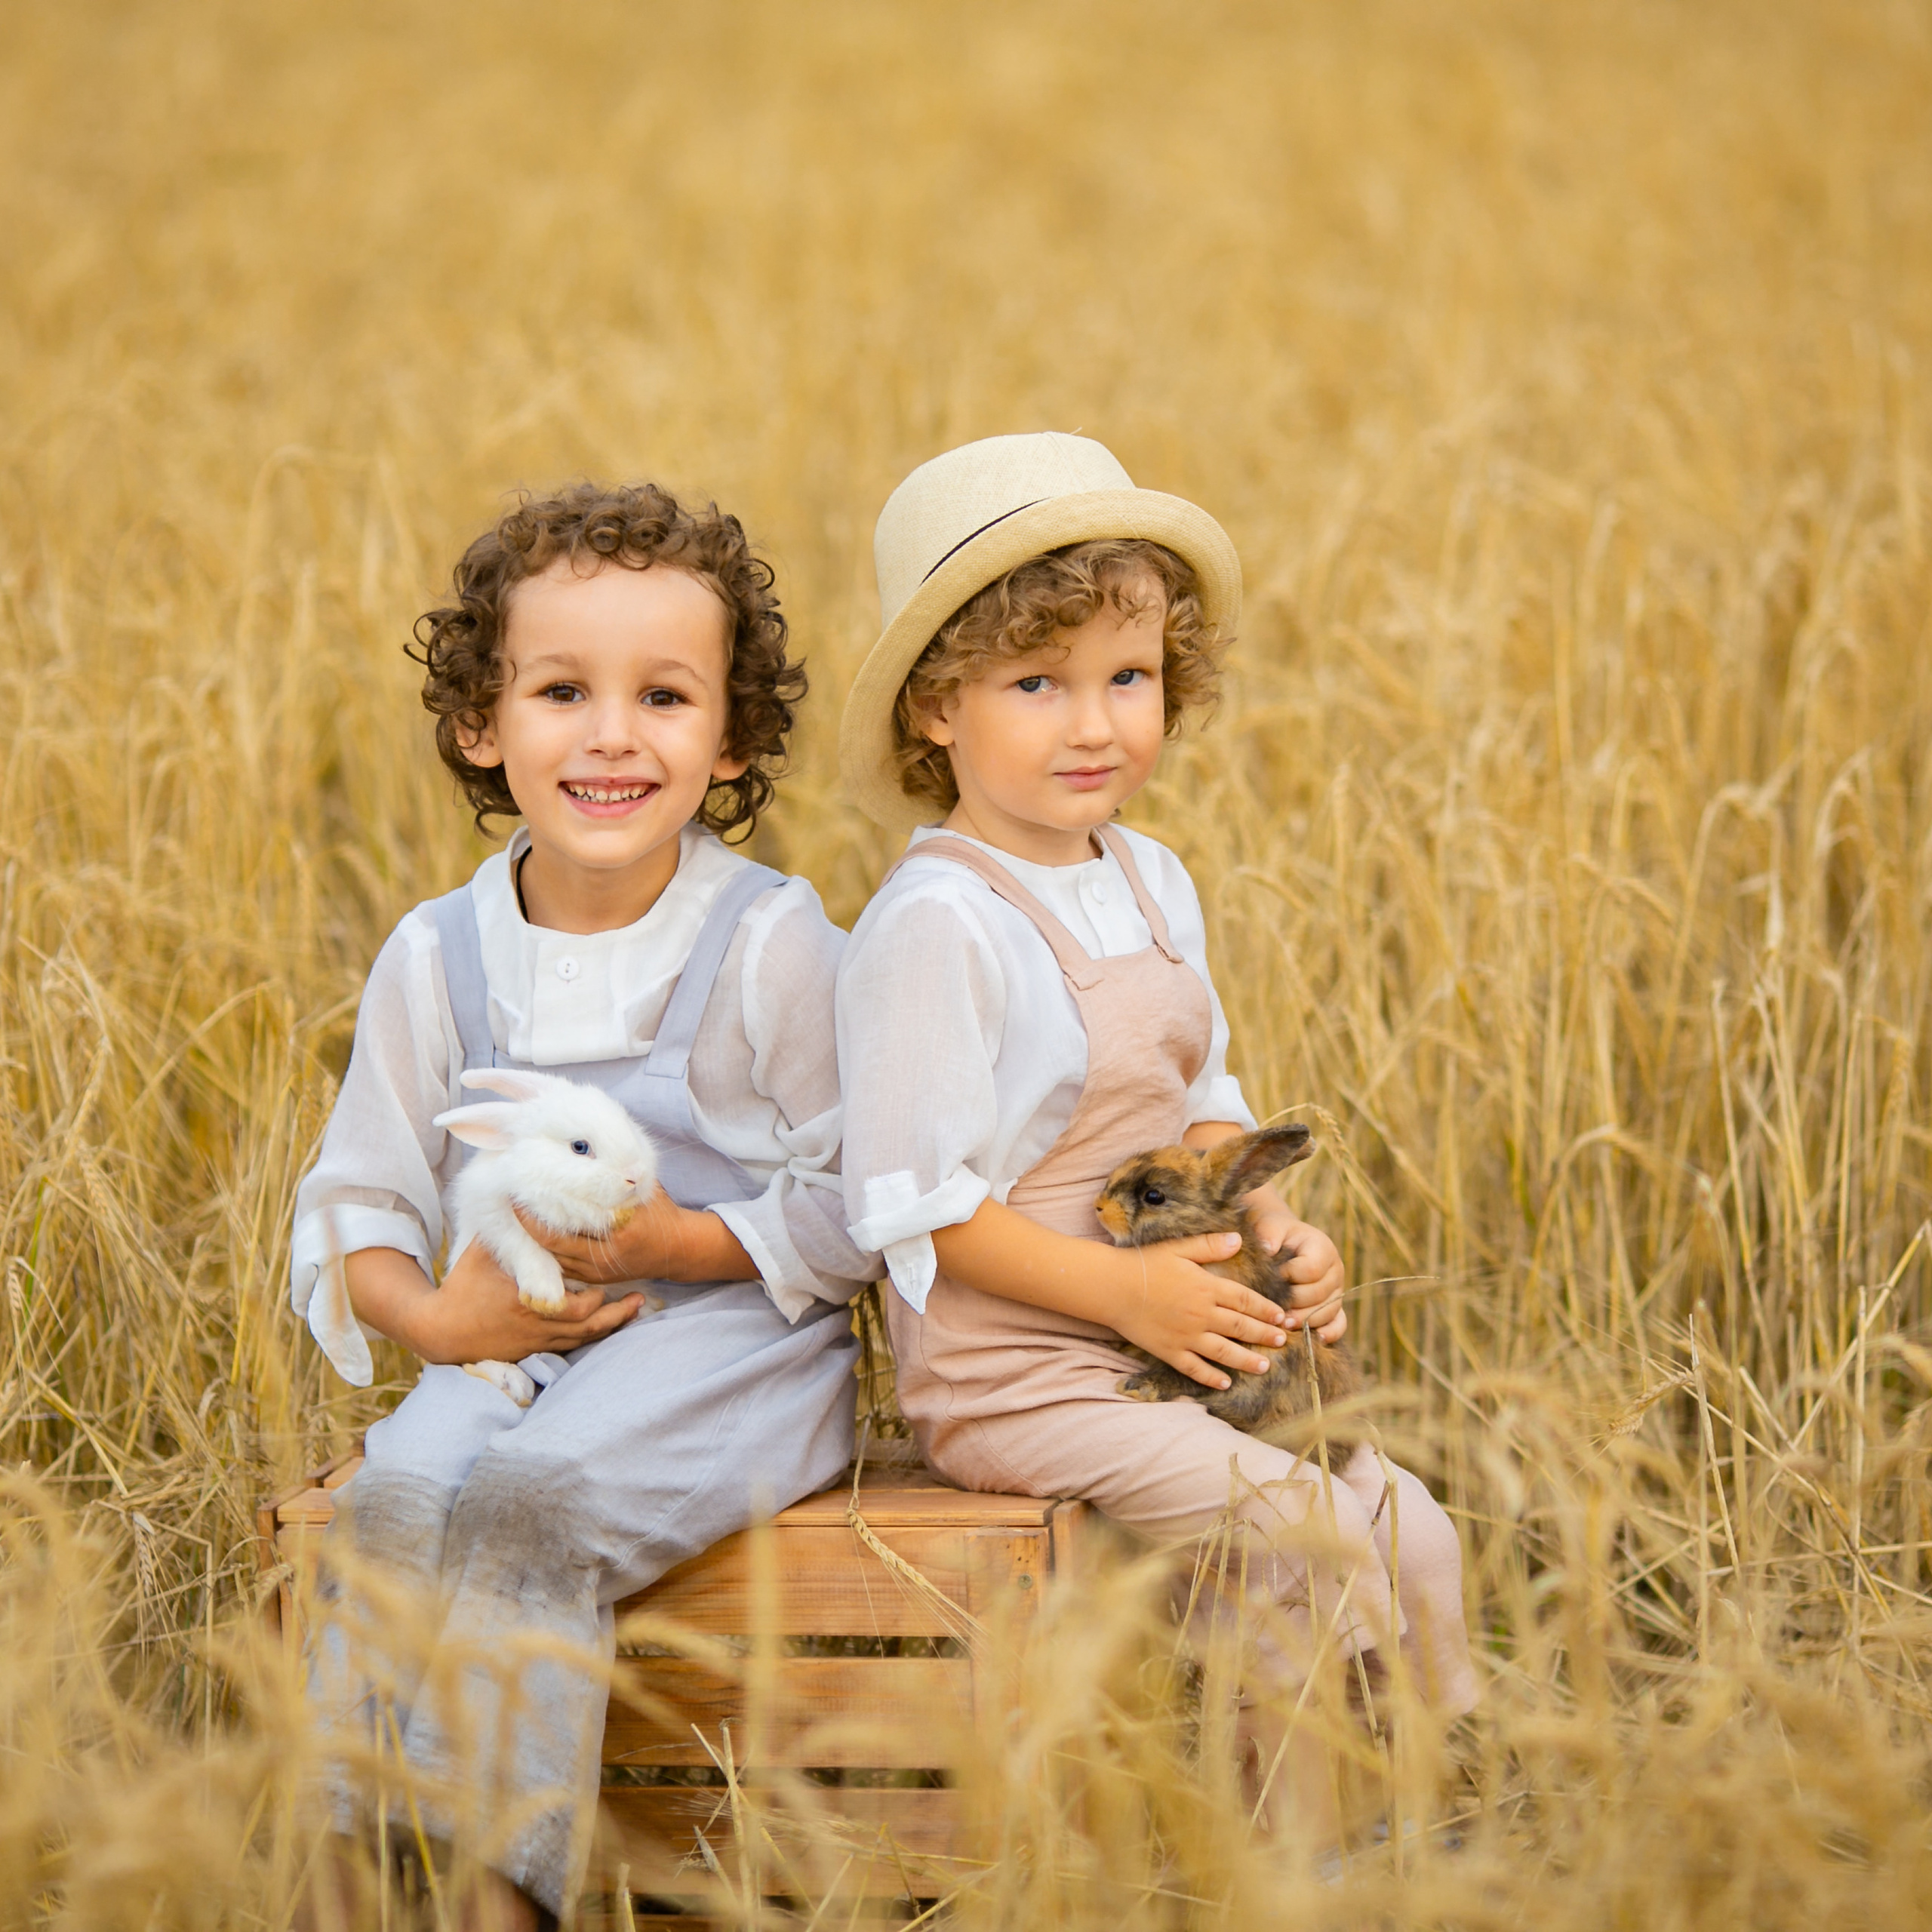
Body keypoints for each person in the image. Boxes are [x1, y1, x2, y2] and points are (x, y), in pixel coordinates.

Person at [835, 433, 1477, 1859]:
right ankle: (1291, 1867)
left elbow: (1205, 1097)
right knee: (1301, 1536)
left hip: (1177, 1332)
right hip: (1020, 1373)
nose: (1094, 725)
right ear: (937, 706)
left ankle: (1410, 1833)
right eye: (1036, 684)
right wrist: (1129, 1294)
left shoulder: (1149, 874)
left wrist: (1273, 1234)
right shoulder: (937, 925)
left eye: (1128, 677)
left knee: (1410, 1528)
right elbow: (915, 1208)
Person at [289, 481, 872, 1928]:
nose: (613, 735)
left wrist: (674, 1242)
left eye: (664, 696)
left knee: (535, 1498)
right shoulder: (438, 955)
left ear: (729, 739)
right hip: (515, 1336)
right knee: (400, 1496)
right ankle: (344, 1883)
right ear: (482, 726)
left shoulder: (769, 942)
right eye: (562, 691)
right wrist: (438, 1322)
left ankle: (500, 1894)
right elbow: (358, 1196)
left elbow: (863, 1196)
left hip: (734, 1348)